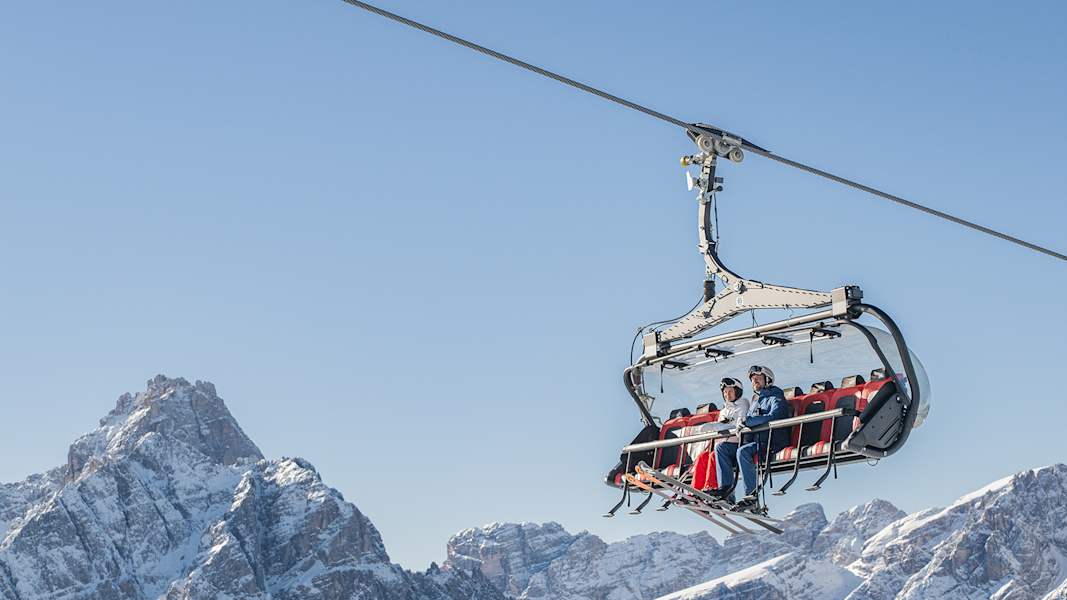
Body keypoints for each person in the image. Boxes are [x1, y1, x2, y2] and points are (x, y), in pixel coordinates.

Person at [711, 365, 792, 511]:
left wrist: (748, 421)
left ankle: (751, 496)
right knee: (721, 448)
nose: (755, 381)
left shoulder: (776, 397)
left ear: (768, 380)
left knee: (743, 451)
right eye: (753, 379)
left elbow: (774, 416)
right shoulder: (756, 402)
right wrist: (741, 426)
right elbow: (747, 421)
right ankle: (726, 490)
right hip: (755, 442)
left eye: (758, 378)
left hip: (771, 442)